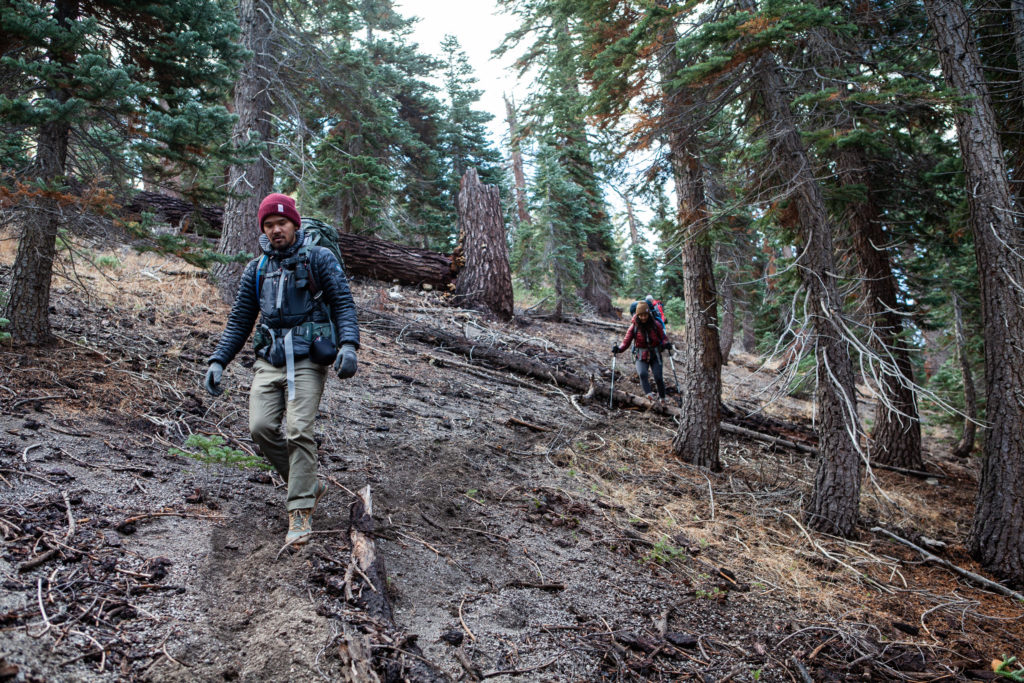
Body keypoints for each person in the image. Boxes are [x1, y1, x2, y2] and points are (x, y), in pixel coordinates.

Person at [203, 193, 360, 546]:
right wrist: (218, 360)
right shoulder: (256, 269)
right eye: (269, 225)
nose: (276, 230)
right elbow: (240, 320)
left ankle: (300, 512)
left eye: (282, 223)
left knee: (299, 430)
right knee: (260, 427)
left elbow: (343, 303)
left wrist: (349, 346)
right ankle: (306, 484)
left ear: (294, 224)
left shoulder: (319, 259)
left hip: (308, 358)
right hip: (269, 359)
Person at [613, 300, 671, 402]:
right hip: (640, 354)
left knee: (658, 377)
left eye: (645, 315)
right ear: (637, 315)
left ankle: (662, 398)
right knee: (642, 374)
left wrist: (666, 344)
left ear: (648, 314)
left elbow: (663, 337)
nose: (643, 317)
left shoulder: (656, 324)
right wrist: (619, 349)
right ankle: (650, 396)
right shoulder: (634, 326)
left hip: (655, 354)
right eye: (641, 315)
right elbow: (626, 342)